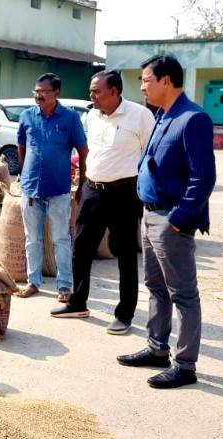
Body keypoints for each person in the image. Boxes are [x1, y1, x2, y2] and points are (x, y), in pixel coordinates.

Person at [117, 54, 216, 389]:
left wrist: (178, 220)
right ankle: (157, 348)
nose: (142, 85)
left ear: (166, 81)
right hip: (150, 214)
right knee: (156, 288)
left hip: (170, 220)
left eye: (146, 79)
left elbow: (203, 178)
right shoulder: (161, 116)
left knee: (183, 294)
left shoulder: (193, 118)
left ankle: (185, 365)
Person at [50, 70, 155, 335]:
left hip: (124, 193)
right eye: (91, 90)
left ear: (114, 91)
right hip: (93, 191)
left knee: (125, 254)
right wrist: (83, 185)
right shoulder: (92, 115)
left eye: (96, 91)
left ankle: (125, 313)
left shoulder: (140, 115)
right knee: (81, 248)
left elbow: (150, 155)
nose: (91, 95)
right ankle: (78, 302)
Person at [16, 73, 88, 302]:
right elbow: (22, 149)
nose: (38, 95)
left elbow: (83, 151)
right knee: (32, 238)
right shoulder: (27, 116)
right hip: (31, 189)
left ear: (56, 93)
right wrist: (25, 174)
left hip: (58, 189)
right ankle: (33, 282)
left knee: (61, 239)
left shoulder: (69, 118)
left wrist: (83, 182)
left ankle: (64, 285)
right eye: (35, 91)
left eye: (43, 91)